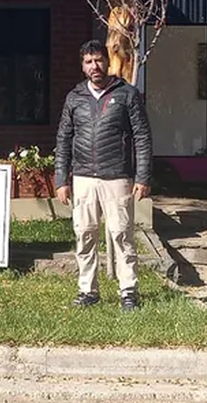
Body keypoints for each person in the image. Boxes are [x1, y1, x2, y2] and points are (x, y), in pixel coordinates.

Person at [54, 39, 153, 311]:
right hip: (84, 178)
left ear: (108, 61)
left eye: (98, 60)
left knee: (121, 234)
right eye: (88, 61)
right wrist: (61, 179)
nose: (94, 66)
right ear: (82, 66)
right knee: (84, 235)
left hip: (117, 177)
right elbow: (63, 139)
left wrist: (143, 177)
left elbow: (142, 137)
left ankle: (129, 290)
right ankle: (88, 291)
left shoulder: (127, 94)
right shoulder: (74, 97)